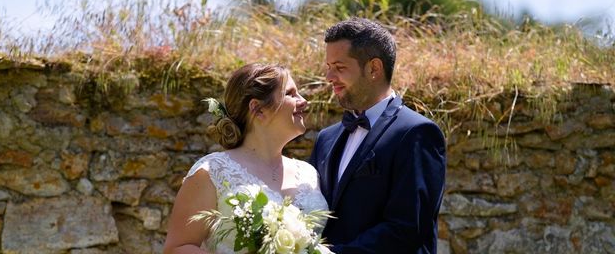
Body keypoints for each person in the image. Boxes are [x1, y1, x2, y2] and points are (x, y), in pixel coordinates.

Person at [310, 18, 446, 253]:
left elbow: (407, 228)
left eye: (340, 68)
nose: (329, 77)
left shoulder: (417, 133)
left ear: (374, 68)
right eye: (328, 66)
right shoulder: (326, 138)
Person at [164, 63, 328, 254]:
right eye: (290, 94)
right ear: (258, 109)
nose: (304, 101)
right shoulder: (212, 171)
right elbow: (177, 248)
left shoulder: (308, 173)